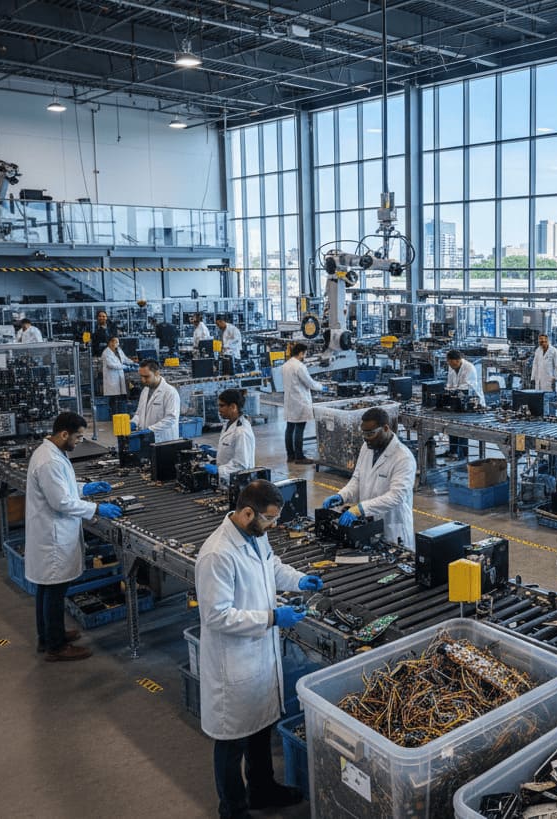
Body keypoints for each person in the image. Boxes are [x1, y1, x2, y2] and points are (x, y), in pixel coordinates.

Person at [195, 479, 324, 819]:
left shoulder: (255, 535)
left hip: (258, 655)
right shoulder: (217, 554)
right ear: (247, 512)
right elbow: (216, 615)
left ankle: (262, 790)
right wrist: (272, 617)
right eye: (268, 519)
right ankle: (233, 808)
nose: (273, 525)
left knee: (259, 727)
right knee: (231, 741)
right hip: (232, 661)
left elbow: (271, 566)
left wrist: (298, 580)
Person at [24, 411, 122, 661]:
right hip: (52, 535)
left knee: (47, 589)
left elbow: (63, 487)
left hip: (50, 532)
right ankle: (55, 648)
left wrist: (84, 488)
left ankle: (46, 637)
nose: (79, 442)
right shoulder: (50, 461)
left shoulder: (50, 453)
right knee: (54, 591)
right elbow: (61, 502)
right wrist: (97, 508)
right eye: (77, 437)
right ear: (64, 434)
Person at [321, 407, 416, 551]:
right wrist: (342, 495)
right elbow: (357, 479)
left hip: (393, 528)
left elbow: (397, 496)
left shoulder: (403, 458)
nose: (366, 438)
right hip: (369, 526)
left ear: (385, 428)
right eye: (363, 433)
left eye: (370, 433)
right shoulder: (367, 447)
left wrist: (360, 509)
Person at [282, 342, 326, 465]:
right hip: (299, 401)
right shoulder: (299, 366)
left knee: (290, 428)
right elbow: (309, 383)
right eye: (305, 354)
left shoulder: (285, 365)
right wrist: (321, 387)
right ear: (301, 353)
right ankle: (300, 457)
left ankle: (290, 455)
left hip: (290, 400)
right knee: (300, 428)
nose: (305, 356)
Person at [203, 389, 256, 484]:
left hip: (237, 483)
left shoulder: (241, 432)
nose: (219, 409)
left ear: (233, 407)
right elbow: (231, 450)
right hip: (227, 481)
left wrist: (218, 470)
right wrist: (214, 454)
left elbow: (241, 465)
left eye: (222, 406)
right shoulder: (229, 424)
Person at [445, 349, 484, 459]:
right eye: (449, 363)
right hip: (456, 401)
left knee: (462, 428)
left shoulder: (469, 367)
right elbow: (450, 382)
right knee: (450, 424)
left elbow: (468, 386)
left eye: (452, 363)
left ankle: (463, 454)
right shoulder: (451, 366)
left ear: (458, 360)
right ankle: (453, 451)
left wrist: (454, 390)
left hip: (470, 401)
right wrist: (448, 390)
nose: (451, 366)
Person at [131, 359, 181, 443]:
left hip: (164, 440)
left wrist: (150, 429)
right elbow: (139, 413)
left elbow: (171, 418)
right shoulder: (145, 390)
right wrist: (133, 422)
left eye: (146, 376)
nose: (143, 380)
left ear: (157, 373)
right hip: (146, 439)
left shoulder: (170, 392)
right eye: (141, 376)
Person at [101, 336, 135, 414]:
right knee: (113, 398)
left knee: (121, 396)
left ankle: (121, 413)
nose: (117, 344)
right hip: (111, 378)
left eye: (118, 342)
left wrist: (132, 362)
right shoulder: (106, 353)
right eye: (116, 342)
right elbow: (111, 365)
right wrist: (125, 367)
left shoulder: (118, 350)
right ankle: (113, 415)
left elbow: (124, 359)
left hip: (119, 376)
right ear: (110, 343)